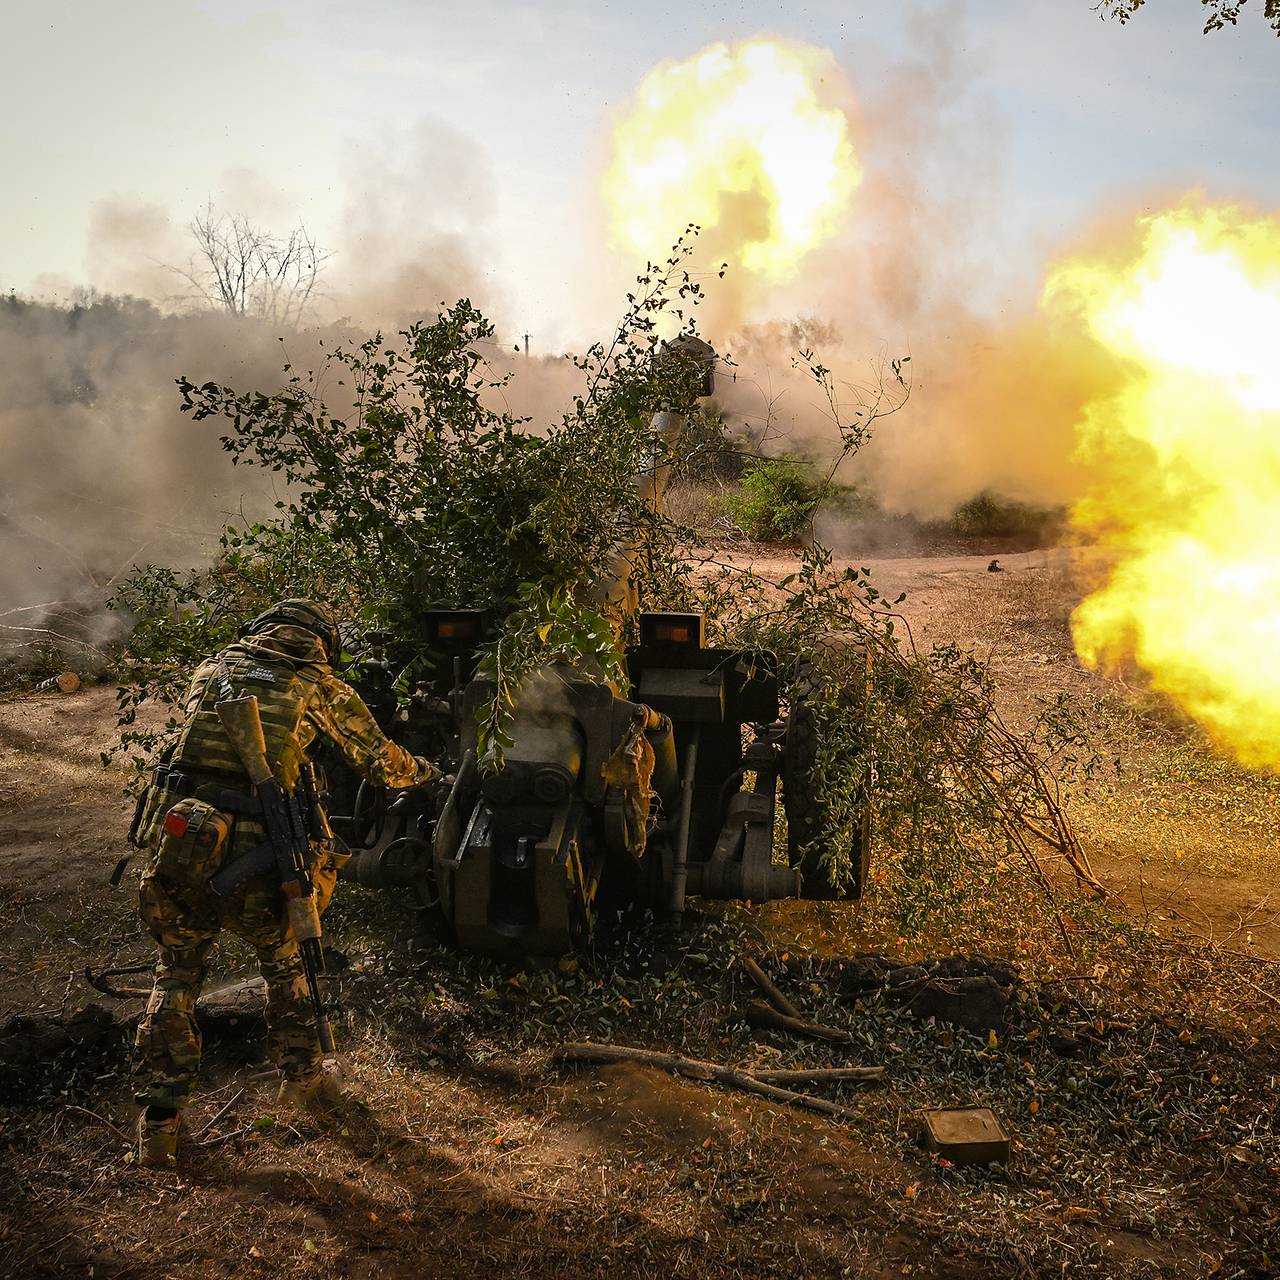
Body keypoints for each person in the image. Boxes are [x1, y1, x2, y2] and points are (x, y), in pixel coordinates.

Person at [129, 599, 438, 1168]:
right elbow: (382, 765)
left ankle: (160, 1122)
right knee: (286, 961)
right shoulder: (318, 687)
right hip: (258, 852)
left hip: (183, 845)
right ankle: (302, 1081)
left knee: (176, 971)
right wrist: (428, 772)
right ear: (321, 642)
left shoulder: (213, 668)